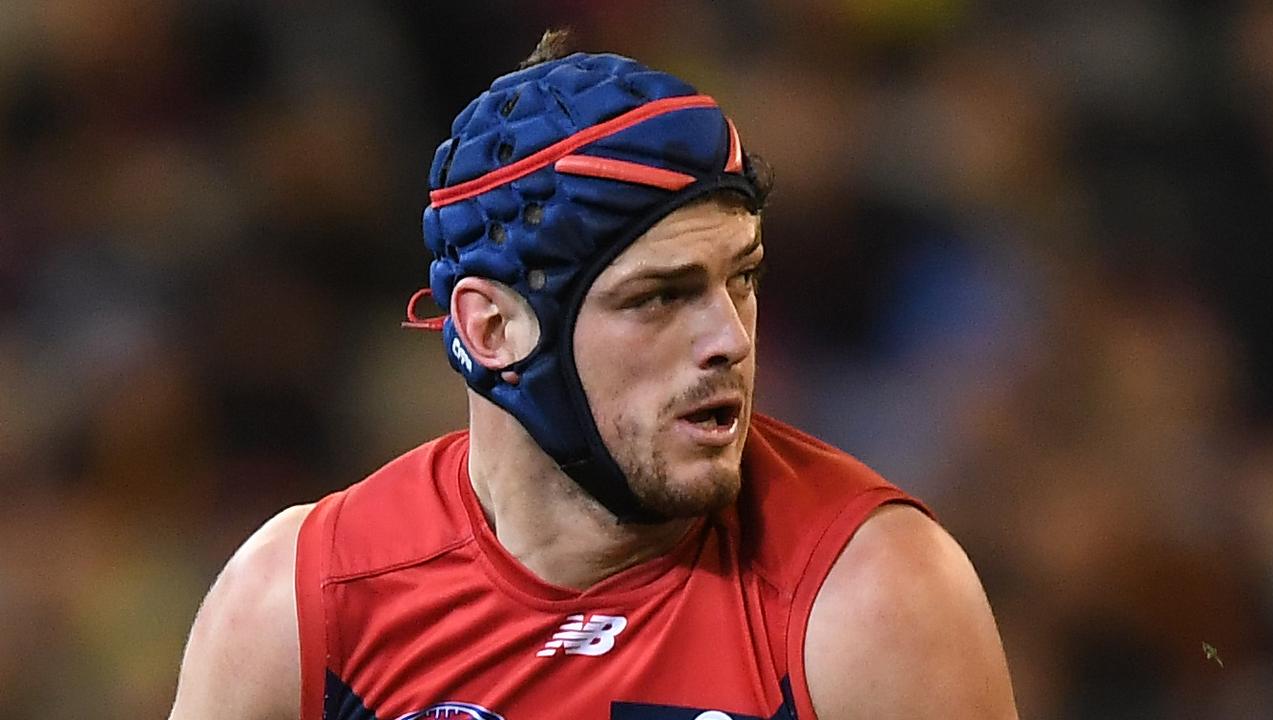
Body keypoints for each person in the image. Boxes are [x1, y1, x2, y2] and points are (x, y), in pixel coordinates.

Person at [168, 31, 1018, 720]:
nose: (728, 338)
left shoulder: (873, 597)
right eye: (658, 297)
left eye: (743, 278)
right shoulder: (297, 607)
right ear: (492, 329)